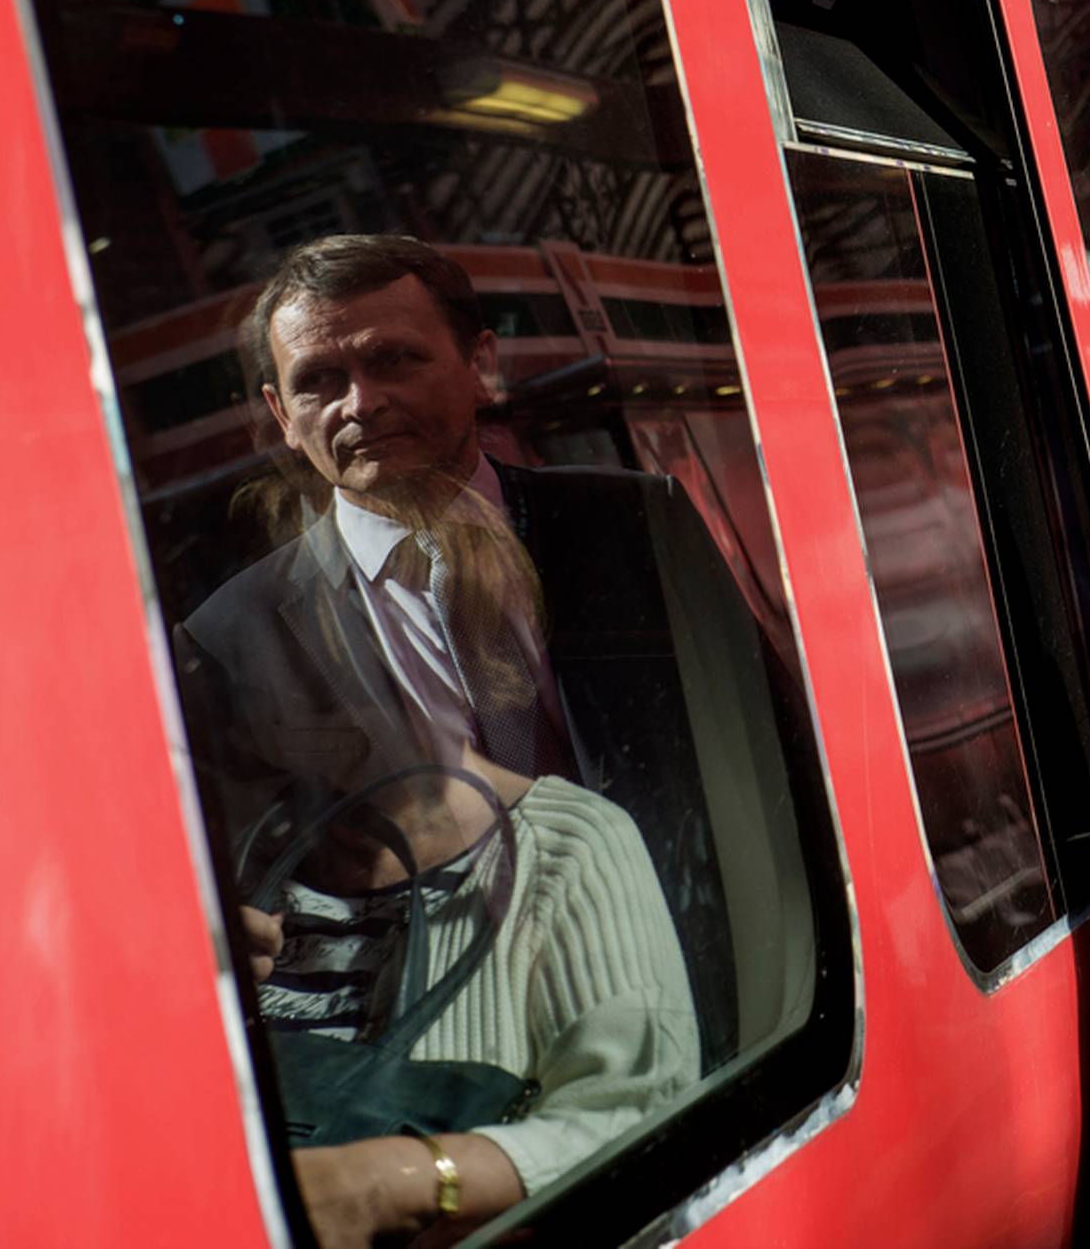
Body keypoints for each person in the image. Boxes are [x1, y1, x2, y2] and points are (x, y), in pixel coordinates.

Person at [177, 234, 758, 1230]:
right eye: (319, 379)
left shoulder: (639, 532)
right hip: (415, 1085)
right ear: (280, 415)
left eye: (394, 358)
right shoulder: (228, 633)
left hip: (685, 1056)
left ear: (482, 363)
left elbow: (758, 777)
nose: (360, 403)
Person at [249, 747, 698, 1248]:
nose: (306, 684)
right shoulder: (230, 839)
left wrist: (385, 1184)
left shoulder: (566, 843)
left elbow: (646, 1119)